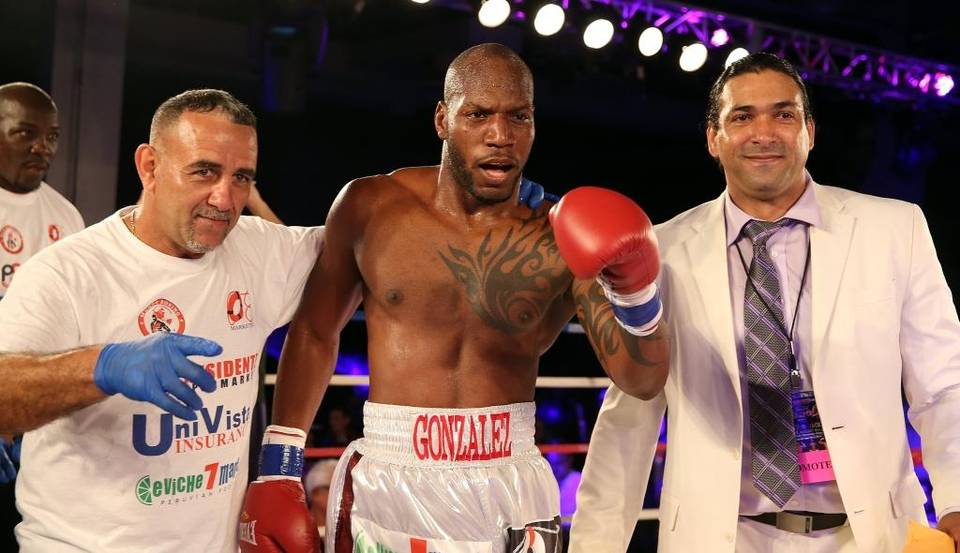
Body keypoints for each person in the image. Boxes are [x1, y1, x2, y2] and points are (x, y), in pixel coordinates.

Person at [237, 43, 670, 553]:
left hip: (510, 480)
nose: (500, 135)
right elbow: (315, 331)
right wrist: (279, 467)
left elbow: (642, 380)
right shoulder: (370, 207)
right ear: (443, 119)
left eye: (519, 116)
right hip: (393, 476)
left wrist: (635, 290)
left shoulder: (557, 236)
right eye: (479, 115)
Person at [569, 53, 960, 552]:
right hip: (722, 539)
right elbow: (630, 414)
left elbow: (944, 385)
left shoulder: (894, 229)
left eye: (783, 114)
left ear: (809, 132)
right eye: (742, 117)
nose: (764, 133)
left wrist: (957, 500)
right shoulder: (663, 251)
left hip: (870, 537)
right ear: (713, 139)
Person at [0, 89, 325, 552]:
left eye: (241, 178)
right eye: (204, 171)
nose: (224, 197)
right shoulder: (67, 273)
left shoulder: (259, 251)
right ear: (150, 166)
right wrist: (100, 367)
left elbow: (366, 242)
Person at [0, 81, 85, 549]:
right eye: (25, 133)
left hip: (34, 413)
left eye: (51, 136)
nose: (42, 147)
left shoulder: (67, 218)